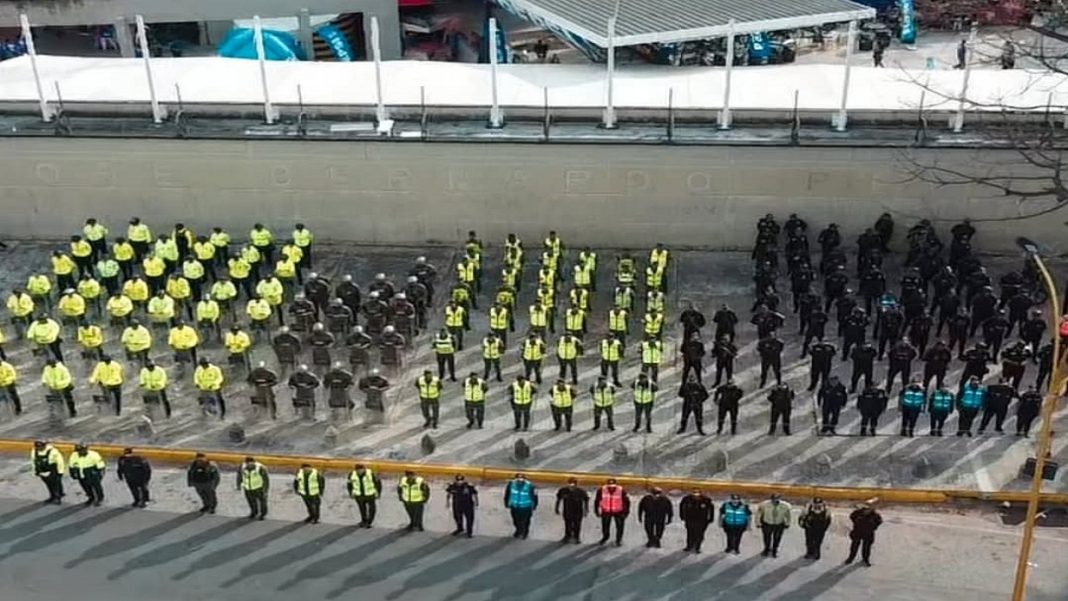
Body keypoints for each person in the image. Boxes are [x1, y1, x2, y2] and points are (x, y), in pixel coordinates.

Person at [69, 442, 106, 507]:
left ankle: (100, 498)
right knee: (85, 487)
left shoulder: (94, 454)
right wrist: (72, 474)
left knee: (97, 487)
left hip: (92, 472)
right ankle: (91, 497)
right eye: (79, 451)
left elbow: (101, 466)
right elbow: (71, 465)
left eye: (82, 450)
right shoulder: (74, 455)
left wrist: (100, 475)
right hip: (81, 472)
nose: (80, 452)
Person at [594, 478, 630, 546]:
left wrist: (626, 512)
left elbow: (627, 501)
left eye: (612, 485)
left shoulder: (621, 490)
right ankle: (605, 537)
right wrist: (596, 510)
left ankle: (619, 539)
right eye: (610, 485)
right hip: (606, 510)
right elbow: (597, 500)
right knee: (605, 526)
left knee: (620, 526)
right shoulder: (602, 490)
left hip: (618, 511)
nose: (611, 487)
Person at [756, 493, 792, 557]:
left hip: (779, 524)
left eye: (777, 499)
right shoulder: (764, 504)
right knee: (767, 538)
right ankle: (766, 549)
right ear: (771, 499)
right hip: (767, 523)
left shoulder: (785, 505)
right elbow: (759, 513)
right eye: (774, 499)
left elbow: (788, 515)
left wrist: (788, 523)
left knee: (777, 538)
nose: (775, 500)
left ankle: (775, 550)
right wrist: (758, 522)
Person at [555, 478, 589, 543]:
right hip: (567, 511)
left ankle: (577, 537)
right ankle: (567, 536)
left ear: (576, 485)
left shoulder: (581, 491)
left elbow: (586, 500)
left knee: (577, 525)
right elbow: (558, 499)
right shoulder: (563, 491)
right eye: (570, 484)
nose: (571, 486)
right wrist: (556, 508)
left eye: (573, 484)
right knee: (567, 524)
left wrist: (586, 510)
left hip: (578, 512)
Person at [505, 473, 538, 539]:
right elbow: (507, 494)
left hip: (526, 507)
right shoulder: (511, 484)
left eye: (521, 479)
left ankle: (525, 533)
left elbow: (535, 497)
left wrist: (534, 506)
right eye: (518, 479)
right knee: (515, 520)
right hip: (515, 506)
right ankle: (518, 530)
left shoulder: (530, 486)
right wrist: (506, 503)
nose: (519, 480)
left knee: (525, 521)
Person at [237, 456, 269, 520]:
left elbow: (266, 479)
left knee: (262, 501)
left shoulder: (260, 468)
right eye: (247, 463)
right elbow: (239, 476)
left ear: (254, 462)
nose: (249, 464)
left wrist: (265, 489)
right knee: (251, 501)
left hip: (258, 488)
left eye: (250, 463)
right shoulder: (242, 467)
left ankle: (263, 514)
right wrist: (238, 485)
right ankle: (254, 512)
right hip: (248, 488)